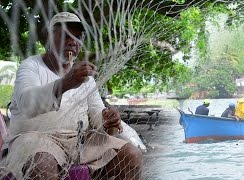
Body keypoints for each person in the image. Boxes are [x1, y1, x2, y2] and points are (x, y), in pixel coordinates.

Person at [4, 12, 142, 180]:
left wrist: (107, 120)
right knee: (42, 164)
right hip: (34, 139)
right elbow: (26, 103)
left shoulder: (86, 78)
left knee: (131, 155)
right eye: (65, 36)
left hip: (77, 142)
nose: (72, 42)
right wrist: (66, 82)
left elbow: (97, 115)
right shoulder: (30, 66)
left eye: (77, 37)